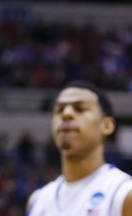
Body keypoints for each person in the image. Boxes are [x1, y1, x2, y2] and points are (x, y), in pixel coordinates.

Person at [26, 81, 132, 216]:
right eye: (59, 109)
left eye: (80, 108)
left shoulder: (124, 193)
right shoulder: (37, 200)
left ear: (107, 125)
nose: (66, 114)